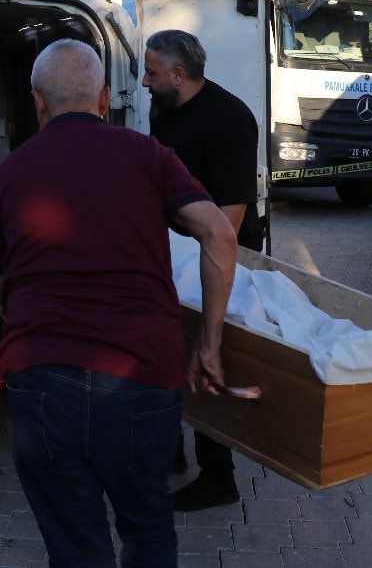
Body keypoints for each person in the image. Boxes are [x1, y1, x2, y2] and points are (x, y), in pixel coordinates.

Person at [0, 38, 237, 566]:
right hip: (140, 376)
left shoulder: (10, 172)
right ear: (105, 99)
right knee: (147, 530)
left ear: (38, 102)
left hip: (43, 379)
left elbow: (9, 272)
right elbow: (219, 234)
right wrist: (209, 344)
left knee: (76, 547)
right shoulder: (149, 155)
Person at [141, 29, 261, 512]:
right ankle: (170, 449)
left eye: (151, 73)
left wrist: (198, 268)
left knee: (208, 349)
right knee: (167, 348)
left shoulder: (230, 119)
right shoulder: (163, 106)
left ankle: (218, 477)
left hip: (218, 254)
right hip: (174, 251)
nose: (144, 82)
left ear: (178, 75)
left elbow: (230, 217)